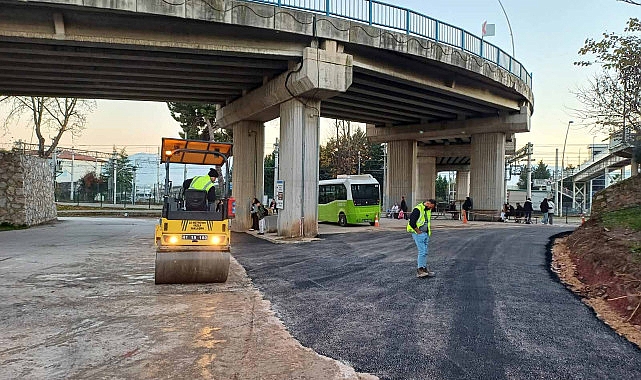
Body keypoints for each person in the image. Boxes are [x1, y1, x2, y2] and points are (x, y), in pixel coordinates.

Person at [407, 199, 437, 278]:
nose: (431, 209)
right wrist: (418, 231)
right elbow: (412, 222)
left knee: (425, 252)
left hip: (425, 234)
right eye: (431, 207)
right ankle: (420, 270)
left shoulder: (427, 210)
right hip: (419, 234)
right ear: (428, 203)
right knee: (422, 251)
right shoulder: (418, 209)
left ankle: (424, 269)